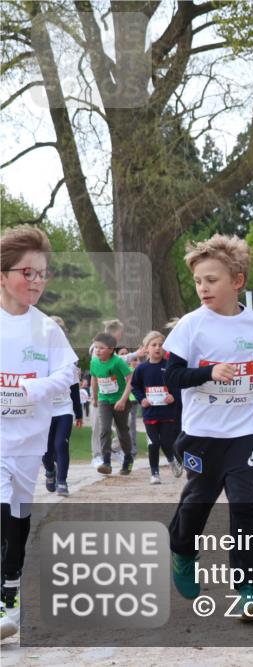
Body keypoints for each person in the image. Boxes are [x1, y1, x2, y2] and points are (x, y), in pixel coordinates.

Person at [163, 234, 253, 621]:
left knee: (245, 505)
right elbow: (173, 377)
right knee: (197, 503)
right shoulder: (190, 326)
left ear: (238, 282)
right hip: (201, 434)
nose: (203, 288)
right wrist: (208, 372)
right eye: (198, 281)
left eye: (212, 280)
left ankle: (249, 587)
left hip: (242, 431)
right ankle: (182, 549)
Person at [1, 225, 78, 640]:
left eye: (41, 273)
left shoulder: (46, 329)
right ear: (1, 275)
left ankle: (10, 589)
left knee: (17, 519)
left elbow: (69, 371)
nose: (34, 281)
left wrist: (34, 388)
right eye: (25, 272)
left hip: (28, 442)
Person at [131, 330, 183, 484]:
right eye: (154, 345)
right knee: (153, 442)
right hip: (150, 412)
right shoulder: (141, 369)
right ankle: (154, 473)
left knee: (167, 441)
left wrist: (173, 396)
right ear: (146, 348)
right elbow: (135, 386)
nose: (157, 348)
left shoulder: (169, 367)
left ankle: (172, 460)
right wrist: (142, 399)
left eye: (161, 345)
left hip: (167, 412)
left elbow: (179, 385)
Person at [42, 316, 84, 497]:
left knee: (61, 444)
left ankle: (62, 482)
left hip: (64, 409)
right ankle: (50, 470)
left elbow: (74, 389)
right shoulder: (37, 356)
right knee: (46, 450)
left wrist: (79, 413)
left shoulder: (69, 361)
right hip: (44, 410)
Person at [90, 332, 135, 475]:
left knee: (122, 431)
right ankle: (106, 461)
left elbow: (130, 381)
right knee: (104, 430)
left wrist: (123, 400)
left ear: (111, 349)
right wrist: (95, 397)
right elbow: (94, 378)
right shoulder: (94, 361)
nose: (97, 350)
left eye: (101, 348)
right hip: (104, 400)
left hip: (120, 400)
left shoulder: (118, 362)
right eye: (96, 347)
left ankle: (128, 458)